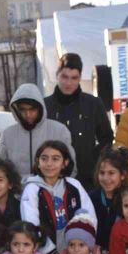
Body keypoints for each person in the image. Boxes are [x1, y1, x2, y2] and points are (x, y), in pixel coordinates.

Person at [44, 53, 113, 189]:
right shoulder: (44, 106)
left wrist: (94, 161)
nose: (69, 83)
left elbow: (107, 138)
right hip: (53, 180)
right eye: (64, 77)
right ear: (57, 75)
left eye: (74, 78)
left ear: (80, 78)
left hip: (87, 181)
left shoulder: (93, 104)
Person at [0, 83, 75, 180]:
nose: (28, 114)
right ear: (16, 110)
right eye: (23, 110)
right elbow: (0, 168)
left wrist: (57, 188)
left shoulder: (59, 130)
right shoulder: (7, 134)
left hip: (52, 191)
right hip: (18, 192)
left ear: (40, 108)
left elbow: (70, 166)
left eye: (32, 109)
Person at [90, 148, 128, 252]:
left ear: (122, 175)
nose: (106, 178)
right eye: (102, 173)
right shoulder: (91, 198)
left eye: (111, 173)